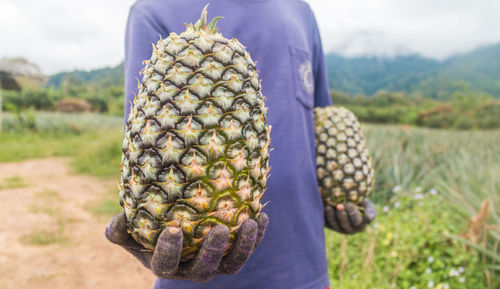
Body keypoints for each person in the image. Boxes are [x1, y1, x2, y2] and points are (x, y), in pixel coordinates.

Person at [105, 0, 377, 288]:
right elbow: (145, 145)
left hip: (304, 265)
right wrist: (147, 232)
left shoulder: (300, 11)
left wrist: (340, 196)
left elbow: (323, 122)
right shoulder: (152, 9)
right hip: (198, 276)